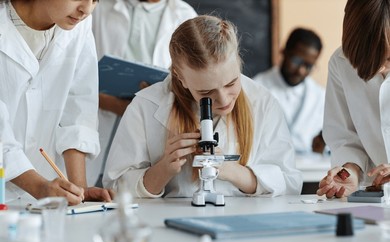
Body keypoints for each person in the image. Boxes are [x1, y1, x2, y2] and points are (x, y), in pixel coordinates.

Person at [103, 15, 302, 198]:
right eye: (206, 93)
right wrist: (163, 170)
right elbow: (114, 188)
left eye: (231, 83)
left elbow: (290, 184)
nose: (224, 100)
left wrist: (233, 172)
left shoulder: (263, 102)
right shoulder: (145, 106)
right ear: (181, 78)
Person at [0, 0, 113, 205]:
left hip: (44, 197)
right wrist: (38, 186)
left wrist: (79, 190)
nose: (86, 9)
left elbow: (78, 106)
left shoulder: (78, 26)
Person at [88, 0, 197, 186]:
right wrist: (114, 105)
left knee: (135, 189)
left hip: (151, 130)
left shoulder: (184, 14)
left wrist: (149, 102)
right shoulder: (98, 8)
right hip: (97, 122)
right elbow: (77, 81)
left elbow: (191, 85)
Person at [317, 0, 390, 198]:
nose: (380, 69)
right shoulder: (341, 63)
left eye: (389, 59)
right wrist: (350, 170)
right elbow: (346, 138)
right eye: (369, 59)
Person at [252, 28, 326, 154]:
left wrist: (323, 145)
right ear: (284, 52)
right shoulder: (256, 87)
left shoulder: (320, 96)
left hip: (310, 170)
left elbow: (328, 143)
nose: (301, 71)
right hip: (266, 167)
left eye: (308, 66)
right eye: (296, 61)